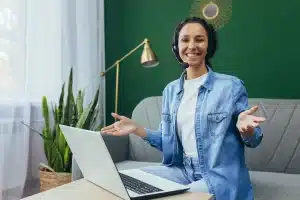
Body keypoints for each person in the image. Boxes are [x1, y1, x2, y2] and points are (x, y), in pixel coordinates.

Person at [101, 17, 265, 200]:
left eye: (200, 39)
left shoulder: (230, 86)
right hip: (183, 170)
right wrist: (137, 129)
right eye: (185, 40)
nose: (192, 46)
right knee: (122, 180)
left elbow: (254, 140)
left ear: (209, 46)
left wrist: (248, 130)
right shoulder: (171, 91)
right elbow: (167, 143)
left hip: (218, 175)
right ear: (176, 47)